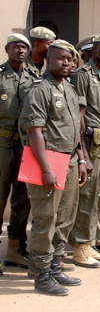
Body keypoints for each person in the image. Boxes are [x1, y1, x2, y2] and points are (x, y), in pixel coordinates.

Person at [19, 39, 87, 295]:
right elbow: (34, 131)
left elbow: (75, 129)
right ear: (49, 59)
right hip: (46, 161)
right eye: (60, 58)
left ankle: (55, 266)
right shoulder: (40, 89)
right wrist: (46, 169)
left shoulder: (68, 89)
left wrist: (80, 158)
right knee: (45, 220)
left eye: (70, 59)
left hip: (68, 160)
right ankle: (41, 273)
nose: (66, 63)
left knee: (65, 218)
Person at [69, 34, 100, 268]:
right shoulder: (82, 75)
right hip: (90, 141)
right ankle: (79, 246)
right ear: (94, 49)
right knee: (87, 195)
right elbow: (79, 117)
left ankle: (89, 243)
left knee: (99, 196)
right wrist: (83, 154)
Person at [1, 34, 38, 271]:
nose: (21, 50)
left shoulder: (33, 77)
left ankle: (15, 249)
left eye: (24, 47)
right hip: (3, 146)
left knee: (23, 199)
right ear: (7, 49)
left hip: (26, 146)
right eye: (16, 46)